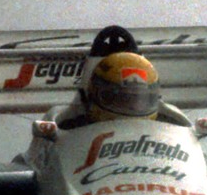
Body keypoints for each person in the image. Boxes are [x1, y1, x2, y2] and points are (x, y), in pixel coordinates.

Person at [54, 25, 185, 128]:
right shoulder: (66, 125)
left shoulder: (172, 124)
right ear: (94, 95)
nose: (132, 106)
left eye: (139, 99)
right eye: (122, 99)